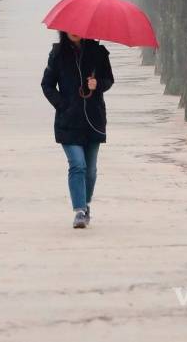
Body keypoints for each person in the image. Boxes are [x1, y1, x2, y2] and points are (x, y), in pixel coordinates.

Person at [41, 30, 114, 228]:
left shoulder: (98, 53)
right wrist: (62, 104)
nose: (74, 31)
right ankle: (80, 211)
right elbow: (47, 84)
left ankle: (86, 203)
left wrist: (97, 84)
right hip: (68, 121)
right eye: (69, 27)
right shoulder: (57, 54)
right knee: (77, 165)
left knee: (90, 170)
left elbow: (109, 80)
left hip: (94, 118)